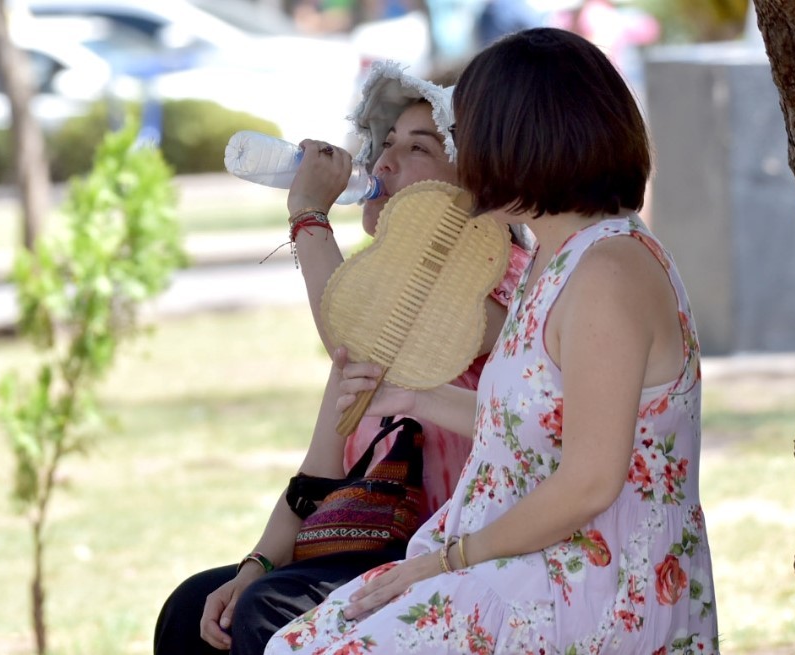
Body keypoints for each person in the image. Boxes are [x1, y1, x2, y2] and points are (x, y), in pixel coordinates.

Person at [265, 27, 718, 653]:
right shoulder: (561, 256)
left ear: (517, 140)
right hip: (534, 568)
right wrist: (413, 399)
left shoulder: (609, 271)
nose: (464, 151)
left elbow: (590, 480)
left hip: (590, 586)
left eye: (469, 131)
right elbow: (540, 425)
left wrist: (447, 560)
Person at [153, 61, 531, 655]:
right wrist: (253, 563)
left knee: (267, 612)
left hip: (454, 557)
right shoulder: (378, 287)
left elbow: (360, 339)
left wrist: (308, 214)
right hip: (368, 544)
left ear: (475, 177)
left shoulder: (500, 282)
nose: (382, 164)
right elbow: (317, 476)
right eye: (384, 145)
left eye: (417, 148)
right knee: (195, 610)